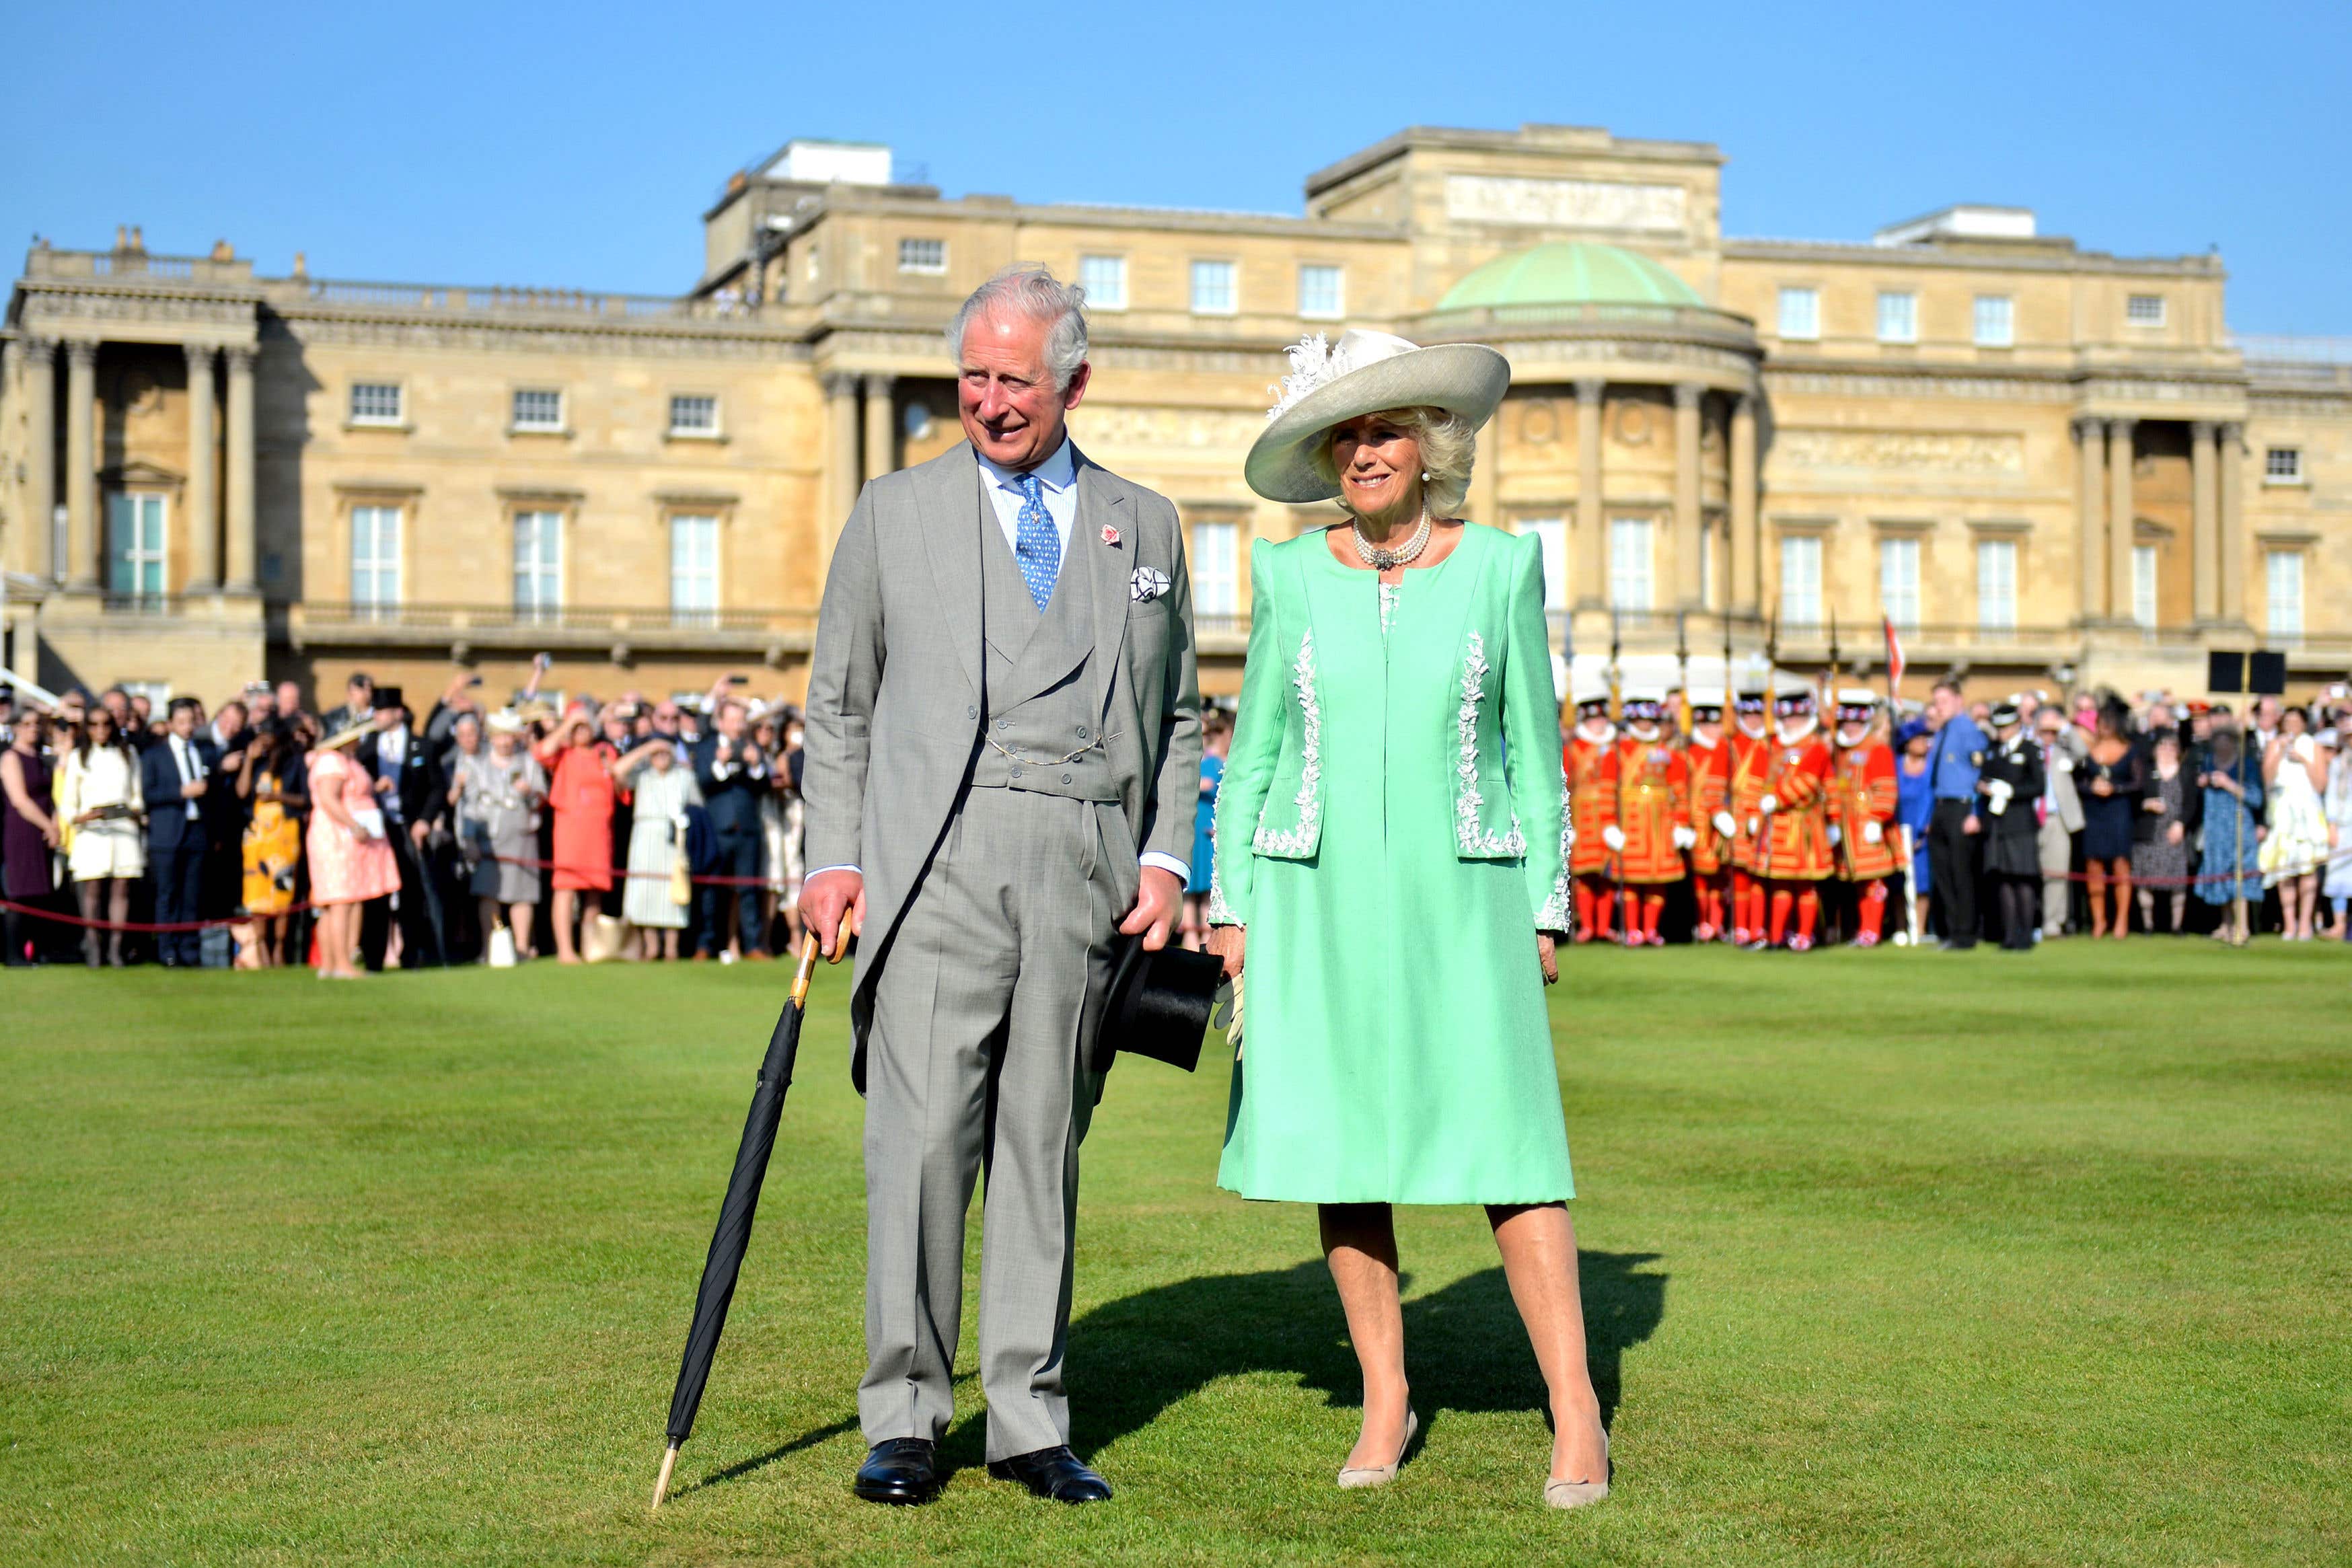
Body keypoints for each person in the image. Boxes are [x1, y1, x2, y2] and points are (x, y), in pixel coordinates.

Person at [801, 265, 1201, 1508]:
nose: (988, 400)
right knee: (919, 1148)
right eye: (971, 377)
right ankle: (906, 1415)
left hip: (1084, 873)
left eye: (1012, 379)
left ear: (1072, 381)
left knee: (1042, 1148)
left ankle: (1028, 1420)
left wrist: (1166, 855)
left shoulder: (1151, 525)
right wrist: (832, 856)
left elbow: (1179, 714)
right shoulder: (890, 511)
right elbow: (839, 706)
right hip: (936, 864)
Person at [1208, 326, 1605, 1509]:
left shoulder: (1500, 567)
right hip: (1312, 895)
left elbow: (1534, 750)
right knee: (1342, 1145)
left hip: (1464, 897)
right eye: (1346, 436)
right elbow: (1258, 750)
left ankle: (1575, 1406)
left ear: (1432, 446)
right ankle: (1386, 1394)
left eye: (1384, 430)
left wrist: (1545, 903)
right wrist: (1234, 906)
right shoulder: (1285, 574)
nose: (1365, 453)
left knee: (1512, 1145)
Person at [358, 689, 448, 969]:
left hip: (409, 827)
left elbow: (437, 788)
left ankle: (412, 953)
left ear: (398, 713)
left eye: (382, 711)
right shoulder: (368, 747)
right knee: (376, 893)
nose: (377, 717)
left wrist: (425, 819)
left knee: (412, 892)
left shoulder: (423, 746)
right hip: (378, 828)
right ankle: (374, 957)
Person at [304, 722, 398, 978]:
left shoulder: (345, 760)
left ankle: (336, 962)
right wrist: (353, 824)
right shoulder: (332, 762)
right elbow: (329, 799)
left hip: (348, 836)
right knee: (340, 900)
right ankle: (340, 962)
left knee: (346, 899)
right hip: (336, 837)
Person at [453, 710, 546, 960]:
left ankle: (523, 947)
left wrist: (529, 793)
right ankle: (489, 947)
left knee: (522, 894)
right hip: (489, 839)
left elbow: (541, 801)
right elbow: (470, 806)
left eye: (509, 737)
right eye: (500, 737)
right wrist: (469, 840)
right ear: (492, 738)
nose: (505, 742)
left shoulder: (529, 763)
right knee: (488, 893)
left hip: (522, 836)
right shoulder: (478, 764)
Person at [139, 698, 224, 967]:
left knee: (192, 896)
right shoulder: (155, 755)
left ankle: (190, 950)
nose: (188, 728)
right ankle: (167, 950)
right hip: (167, 833)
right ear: (170, 724)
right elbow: (148, 794)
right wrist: (181, 793)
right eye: (182, 722)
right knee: (168, 895)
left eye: (192, 722)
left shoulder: (205, 752)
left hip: (197, 832)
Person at [59, 708, 146, 965]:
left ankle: (116, 949)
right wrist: (85, 817)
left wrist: (131, 811)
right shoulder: (78, 757)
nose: (100, 730)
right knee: (92, 889)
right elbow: (68, 804)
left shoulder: (128, 754)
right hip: (92, 831)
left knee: (122, 887)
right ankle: (94, 946)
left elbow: (137, 795)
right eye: (94, 724)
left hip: (123, 830)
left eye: (105, 724)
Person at [1609, 689, 1691, 946]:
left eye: (1649, 721)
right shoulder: (1616, 751)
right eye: (1640, 721)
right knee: (1632, 878)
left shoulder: (1668, 753)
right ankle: (1633, 929)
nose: (1645, 725)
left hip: (1660, 821)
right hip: (1631, 819)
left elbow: (1680, 789)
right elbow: (1607, 789)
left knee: (1658, 879)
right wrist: (1610, 824)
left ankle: (1651, 928)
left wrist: (1682, 822)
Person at [1753, 685, 1833, 950]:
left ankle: (1804, 934)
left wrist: (1778, 799)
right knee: (1779, 882)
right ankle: (1776, 936)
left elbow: (1808, 782)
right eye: (1785, 718)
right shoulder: (1774, 745)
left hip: (1803, 824)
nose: (1789, 723)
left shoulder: (1816, 747)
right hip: (1776, 824)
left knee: (1805, 881)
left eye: (1794, 718)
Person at [693, 696, 772, 961]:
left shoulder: (752, 747)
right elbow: (704, 782)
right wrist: (720, 763)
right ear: (722, 722)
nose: (739, 725)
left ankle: (753, 946)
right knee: (712, 890)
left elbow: (764, 787)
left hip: (748, 830)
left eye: (742, 720)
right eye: (734, 720)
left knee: (748, 889)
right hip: (718, 829)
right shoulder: (707, 747)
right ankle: (706, 944)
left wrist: (755, 766)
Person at [540, 709, 617, 965]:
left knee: (595, 889)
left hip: (598, 829)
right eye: (578, 727)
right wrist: (568, 724)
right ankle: (565, 949)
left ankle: (589, 947)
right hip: (570, 829)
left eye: (586, 726)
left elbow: (619, 781)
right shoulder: (564, 752)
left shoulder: (604, 752)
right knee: (566, 887)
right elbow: (542, 752)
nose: (582, 731)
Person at [616, 734, 700, 959]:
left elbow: (697, 806)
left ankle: (671, 947)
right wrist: (646, 749)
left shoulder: (684, 776)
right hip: (645, 837)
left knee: (673, 891)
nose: (662, 757)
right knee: (646, 890)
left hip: (675, 837)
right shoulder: (642, 775)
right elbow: (617, 772)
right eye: (657, 753)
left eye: (665, 752)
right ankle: (651, 946)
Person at [1827, 691, 1899, 946]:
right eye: (1845, 723)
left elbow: (1886, 788)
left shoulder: (1877, 750)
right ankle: (1863, 929)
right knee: (1858, 881)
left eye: (1854, 723)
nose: (1849, 727)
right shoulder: (1842, 751)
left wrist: (1878, 818)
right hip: (1847, 826)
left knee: (1874, 880)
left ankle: (1872, 929)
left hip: (1868, 823)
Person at [235, 718, 307, 967]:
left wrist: (277, 796)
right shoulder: (258, 764)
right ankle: (261, 948)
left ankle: (279, 948)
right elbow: (242, 792)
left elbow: (304, 799)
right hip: (258, 839)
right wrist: (249, 760)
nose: (263, 741)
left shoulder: (295, 762)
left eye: (267, 736)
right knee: (257, 896)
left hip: (284, 836)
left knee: (282, 894)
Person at [1976, 701, 2046, 951]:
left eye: (2006, 727)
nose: (2002, 732)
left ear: (2017, 725)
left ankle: (2025, 935)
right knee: (2003, 878)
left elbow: (2039, 786)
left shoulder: (2029, 750)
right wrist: (1987, 787)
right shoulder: (1994, 750)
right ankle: (2008, 935)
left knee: (2022, 879)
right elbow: (1983, 776)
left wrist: (2011, 791)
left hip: (2021, 822)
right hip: (1998, 822)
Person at [1923, 680, 1988, 948]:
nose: (1939, 708)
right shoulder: (1942, 733)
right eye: (1936, 702)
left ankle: (1965, 932)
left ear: (1959, 701)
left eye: (1944, 701)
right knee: (1943, 873)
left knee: (1962, 873)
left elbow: (1980, 773)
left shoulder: (1967, 730)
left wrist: (1975, 812)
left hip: (1961, 805)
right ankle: (1949, 930)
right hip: (1941, 807)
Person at [2074, 700, 2143, 939]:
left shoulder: (2129, 749)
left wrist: (2115, 788)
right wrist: (2091, 787)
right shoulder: (2087, 750)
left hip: (2118, 811)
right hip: (2094, 812)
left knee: (2120, 865)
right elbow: (2077, 780)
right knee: (2093, 865)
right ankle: (2099, 920)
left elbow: (2138, 783)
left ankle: (2121, 920)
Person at [2261, 706, 2330, 940]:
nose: (2291, 724)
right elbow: (2267, 779)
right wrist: (2279, 751)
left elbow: (2321, 784)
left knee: (2308, 870)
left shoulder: (2314, 746)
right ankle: (2289, 923)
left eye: (2295, 720)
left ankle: (2305, 923)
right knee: (2285, 871)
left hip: (2307, 813)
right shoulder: (2275, 744)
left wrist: (2303, 759)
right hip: (2282, 812)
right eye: (2287, 720)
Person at [2195, 716, 2263, 946]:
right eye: (2218, 742)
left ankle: (2242, 928)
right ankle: (2226, 924)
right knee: (2219, 876)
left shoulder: (2246, 765)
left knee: (2239, 878)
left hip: (2238, 827)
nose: (2222, 747)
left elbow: (2256, 797)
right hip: (2214, 827)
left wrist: (2229, 784)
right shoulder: (2208, 761)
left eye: (2226, 742)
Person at [1, 710, 61, 965]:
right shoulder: (10, 758)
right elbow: (19, 799)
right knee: (20, 891)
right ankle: (13, 953)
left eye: (36, 724)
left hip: (43, 829)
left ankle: (39, 950)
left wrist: (54, 823)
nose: (32, 729)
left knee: (40, 892)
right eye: (26, 724)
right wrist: (48, 826)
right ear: (15, 728)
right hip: (22, 830)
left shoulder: (40, 758)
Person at [1561, 685, 1619, 942]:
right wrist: (1566, 823)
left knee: (1607, 873)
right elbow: (1563, 784)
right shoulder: (1572, 749)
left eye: (1601, 718)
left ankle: (1605, 926)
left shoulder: (1617, 747)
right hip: (1581, 815)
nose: (1599, 723)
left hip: (1611, 815)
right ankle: (1587, 925)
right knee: (1583, 874)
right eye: (1593, 719)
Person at [2132, 727, 2197, 936]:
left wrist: (2181, 823)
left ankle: (2177, 926)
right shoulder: (2145, 770)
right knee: (2146, 881)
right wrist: (2145, 804)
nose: (2167, 750)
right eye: (2163, 746)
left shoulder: (2186, 772)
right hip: (2150, 832)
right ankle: (2148, 924)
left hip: (2175, 833)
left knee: (2177, 883)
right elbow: (2133, 798)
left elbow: (2192, 803)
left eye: (2172, 746)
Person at [1683, 698, 1735, 942]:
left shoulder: (1727, 752)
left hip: (1723, 817)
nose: (1717, 731)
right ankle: (1702, 921)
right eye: (1712, 726)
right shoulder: (1690, 755)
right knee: (1702, 875)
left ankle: (1717, 922)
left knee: (1722, 874)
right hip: (1699, 820)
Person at [2033, 705, 2086, 940]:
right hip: (2030, 818)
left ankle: (2053, 923)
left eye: (2052, 727)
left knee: (2056, 873)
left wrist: (2063, 726)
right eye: (2044, 727)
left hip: (2057, 818)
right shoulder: (2029, 750)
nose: (2048, 732)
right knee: (2030, 872)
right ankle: (2030, 919)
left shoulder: (2063, 751)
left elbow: (2083, 751)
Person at [1181, 709, 1230, 950]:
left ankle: (1206, 935)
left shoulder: (1216, 763)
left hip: (1207, 832)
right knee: (1190, 885)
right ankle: (1190, 932)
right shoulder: (1187, 761)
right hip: (1191, 830)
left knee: (1207, 885)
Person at [1725, 687, 1771, 944]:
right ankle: (1742, 926)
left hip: (1768, 812)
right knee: (1741, 875)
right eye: (1749, 714)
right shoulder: (1730, 744)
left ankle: (1759, 927)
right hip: (1738, 816)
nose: (1754, 719)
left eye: (1758, 714)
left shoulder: (1772, 744)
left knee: (1763, 876)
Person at [1893, 717, 1935, 943]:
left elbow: (1934, 797)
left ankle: (1919, 927)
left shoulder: (1931, 766)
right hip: (1898, 827)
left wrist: (1928, 827)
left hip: (1924, 828)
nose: (1922, 743)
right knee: (1899, 881)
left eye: (1925, 739)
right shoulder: (1896, 764)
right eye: (1917, 739)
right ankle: (1901, 927)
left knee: (1922, 882)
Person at [2323, 724, 2352, 939]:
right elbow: (2331, 795)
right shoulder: (2338, 763)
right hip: (2342, 825)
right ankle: (2339, 924)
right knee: (2338, 876)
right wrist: (2332, 824)